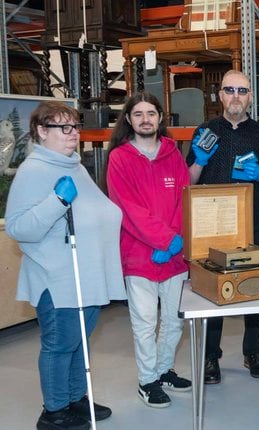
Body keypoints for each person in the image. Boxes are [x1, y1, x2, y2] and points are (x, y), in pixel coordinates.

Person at [5, 101, 125, 430]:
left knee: (78, 342)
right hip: (57, 277)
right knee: (60, 345)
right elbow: (18, 228)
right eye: (64, 128)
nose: (74, 135)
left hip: (86, 275)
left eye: (75, 127)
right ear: (42, 132)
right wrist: (56, 202)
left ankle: (74, 398)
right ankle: (54, 412)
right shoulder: (34, 169)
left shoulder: (74, 166)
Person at [105, 92, 192, 408]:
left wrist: (174, 241)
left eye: (151, 113)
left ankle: (164, 370)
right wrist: (161, 240)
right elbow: (127, 208)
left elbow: (185, 199)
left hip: (174, 255)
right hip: (140, 253)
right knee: (144, 322)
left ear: (160, 118)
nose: (145, 119)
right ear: (128, 119)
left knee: (174, 320)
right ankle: (147, 381)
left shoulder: (173, 154)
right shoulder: (119, 158)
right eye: (138, 114)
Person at [186, 70, 259, 384]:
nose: (236, 96)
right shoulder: (205, 131)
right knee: (213, 290)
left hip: (255, 222)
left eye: (243, 90)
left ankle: (252, 351)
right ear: (219, 95)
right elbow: (188, 182)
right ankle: (211, 356)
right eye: (229, 89)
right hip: (215, 225)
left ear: (250, 96)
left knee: (255, 286)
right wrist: (199, 160)